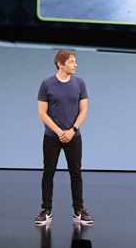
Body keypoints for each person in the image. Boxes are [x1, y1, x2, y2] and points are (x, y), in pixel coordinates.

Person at [35, 50, 93, 225]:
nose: (75, 65)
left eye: (75, 61)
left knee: (76, 173)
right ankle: (46, 210)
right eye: (72, 62)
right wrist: (59, 131)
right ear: (61, 64)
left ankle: (78, 211)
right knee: (48, 172)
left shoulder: (80, 83)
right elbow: (42, 113)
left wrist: (72, 130)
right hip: (52, 136)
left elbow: (83, 110)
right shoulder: (47, 85)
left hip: (73, 136)